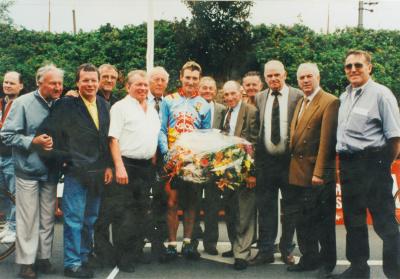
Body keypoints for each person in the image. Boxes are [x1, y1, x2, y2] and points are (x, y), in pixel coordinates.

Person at [43, 63, 113, 278]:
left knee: (90, 218)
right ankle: (71, 263)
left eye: (94, 80)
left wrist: (109, 165)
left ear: (99, 82)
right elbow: (50, 133)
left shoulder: (103, 104)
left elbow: (105, 138)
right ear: (77, 82)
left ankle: (83, 257)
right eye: (86, 80)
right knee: (73, 220)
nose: (90, 84)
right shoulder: (66, 104)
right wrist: (64, 159)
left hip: (98, 172)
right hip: (76, 172)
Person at [336, 50, 400, 279]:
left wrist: (382, 166)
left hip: (373, 165)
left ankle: (395, 273)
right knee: (354, 221)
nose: (353, 70)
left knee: (385, 224)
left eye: (358, 66)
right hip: (349, 165)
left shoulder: (382, 95)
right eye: (348, 66)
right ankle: (359, 269)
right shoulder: (345, 97)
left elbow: (395, 138)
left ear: (369, 68)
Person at [0, 65, 63, 279]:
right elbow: (6, 135)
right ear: (39, 83)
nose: (57, 87)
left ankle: (43, 258)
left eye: (60, 83)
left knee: (47, 218)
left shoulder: (61, 104)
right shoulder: (21, 103)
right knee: (28, 219)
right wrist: (32, 141)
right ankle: (26, 263)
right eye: (53, 83)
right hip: (27, 170)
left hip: (51, 170)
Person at [286, 63, 338, 278]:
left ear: (318, 77)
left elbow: (327, 142)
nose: (305, 81)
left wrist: (318, 173)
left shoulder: (330, 101)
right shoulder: (301, 101)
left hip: (316, 174)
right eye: (301, 78)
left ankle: (328, 263)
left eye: (309, 76)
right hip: (298, 171)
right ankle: (309, 258)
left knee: (323, 221)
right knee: (303, 220)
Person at [107, 70, 161, 272]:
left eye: (145, 85)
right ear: (128, 87)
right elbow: (113, 139)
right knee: (124, 214)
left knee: (141, 212)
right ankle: (123, 258)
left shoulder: (152, 109)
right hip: (127, 166)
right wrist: (119, 167)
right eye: (138, 84)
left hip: (146, 167)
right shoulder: (120, 107)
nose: (142, 88)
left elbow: (153, 137)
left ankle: (136, 252)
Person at [158, 61, 211, 260]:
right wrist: (167, 153)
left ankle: (188, 244)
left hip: (193, 162)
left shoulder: (204, 104)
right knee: (172, 202)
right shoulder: (169, 100)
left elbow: (205, 134)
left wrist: (198, 158)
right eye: (187, 77)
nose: (190, 81)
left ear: (199, 80)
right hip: (172, 161)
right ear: (181, 77)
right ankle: (172, 244)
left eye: (194, 78)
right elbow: (162, 130)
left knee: (191, 202)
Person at [251, 60, 302, 266]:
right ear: (265, 77)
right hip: (266, 162)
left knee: (291, 207)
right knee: (266, 208)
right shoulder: (259, 97)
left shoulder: (297, 96)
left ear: (285, 74)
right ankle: (265, 250)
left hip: (289, 162)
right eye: (269, 76)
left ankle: (287, 249)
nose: (273, 79)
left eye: (277, 75)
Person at [220, 80, 258, 270]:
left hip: (244, 171)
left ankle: (242, 253)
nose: (229, 98)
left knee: (244, 213)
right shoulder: (225, 113)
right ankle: (236, 246)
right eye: (226, 95)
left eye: (232, 93)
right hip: (227, 171)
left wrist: (252, 173)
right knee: (231, 211)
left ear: (241, 92)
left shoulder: (250, 111)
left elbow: (254, 143)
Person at [196, 76, 226, 255]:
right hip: (194, 165)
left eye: (210, 88)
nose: (207, 91)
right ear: (199, 89)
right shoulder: (192, 107)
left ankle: (211, 242)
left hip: (215, 165)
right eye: (204, 88)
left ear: (215, 91)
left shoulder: (223, 110)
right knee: (193, 202)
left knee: (213, 204)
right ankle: (192, 238)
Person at [147, 66, 170, 261]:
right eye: (156, 79)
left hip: (164, 160)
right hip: (143, 159)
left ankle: (158, 244)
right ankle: (137, 243)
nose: (160, 83)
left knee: (161, 202)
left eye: (163, 80)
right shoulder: (140, 101)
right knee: (140, 202)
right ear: (149, 81)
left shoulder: (168, 103)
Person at [0, 71, 23, 244]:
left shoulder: (22, 105)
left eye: (12, 83)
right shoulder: (0, 103)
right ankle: (7, 223)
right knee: (3, 193)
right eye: (6, 82)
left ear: (21, 86)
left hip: (12, 156)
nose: (7, 85)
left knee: (14, 193)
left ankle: (14, 227)